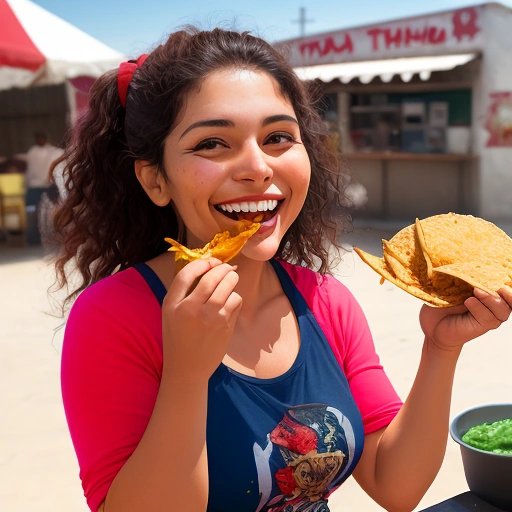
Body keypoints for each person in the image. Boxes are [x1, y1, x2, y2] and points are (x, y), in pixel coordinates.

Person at [51, 27, 512, 512]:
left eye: (277, 137)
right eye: (212, 143)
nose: (257, 167)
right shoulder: (113, 316)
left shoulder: (325, 301)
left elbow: (396, 485)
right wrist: (187, 375)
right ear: (155, 179)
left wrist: (440, 348)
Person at [22, 131, 62, 244]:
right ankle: (33, 239)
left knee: (52, 211)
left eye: (42, 138)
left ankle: (53, 237)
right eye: (38, 139)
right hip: (34, 187)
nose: (40, 141)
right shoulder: (32, 152)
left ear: (45, 138)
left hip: (48, 186)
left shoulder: (53, 151)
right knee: (32, 212)